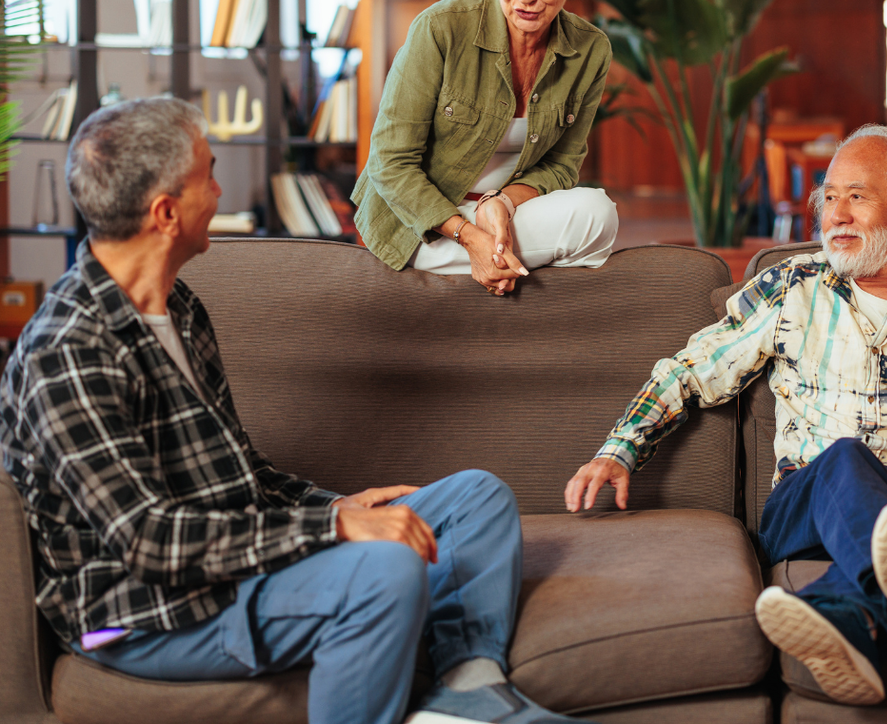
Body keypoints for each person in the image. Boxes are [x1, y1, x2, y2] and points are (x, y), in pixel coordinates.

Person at [0, 98, 581, 724]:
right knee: (383, 573)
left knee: (478, 499)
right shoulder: (68, 351)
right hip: (145, 612)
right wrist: (331, 531)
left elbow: (241, 473)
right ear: (165, 214)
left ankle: (464, 691)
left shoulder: (179, 308)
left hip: (236, 556)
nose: (221, 192)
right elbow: (151, 540)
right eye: (208, 176)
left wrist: (333, 507)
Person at [565, 125, 887, 706]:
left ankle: (852, 618)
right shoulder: (792, 288)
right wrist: (619, 449)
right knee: (846, 459)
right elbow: (690, 370)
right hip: (803, 509)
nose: (836, 215)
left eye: (857, 196)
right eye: (828, 198)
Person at [353, 0, 617, 296]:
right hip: (427, 221)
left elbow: (563, 166)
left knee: (599, 214)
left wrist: (502, 204)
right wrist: (468, 235)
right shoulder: (440, 28)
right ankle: (500, 262)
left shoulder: (589, 49)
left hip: (511, 215)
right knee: (566, 256)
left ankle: (496, 262)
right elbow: (391, 161)